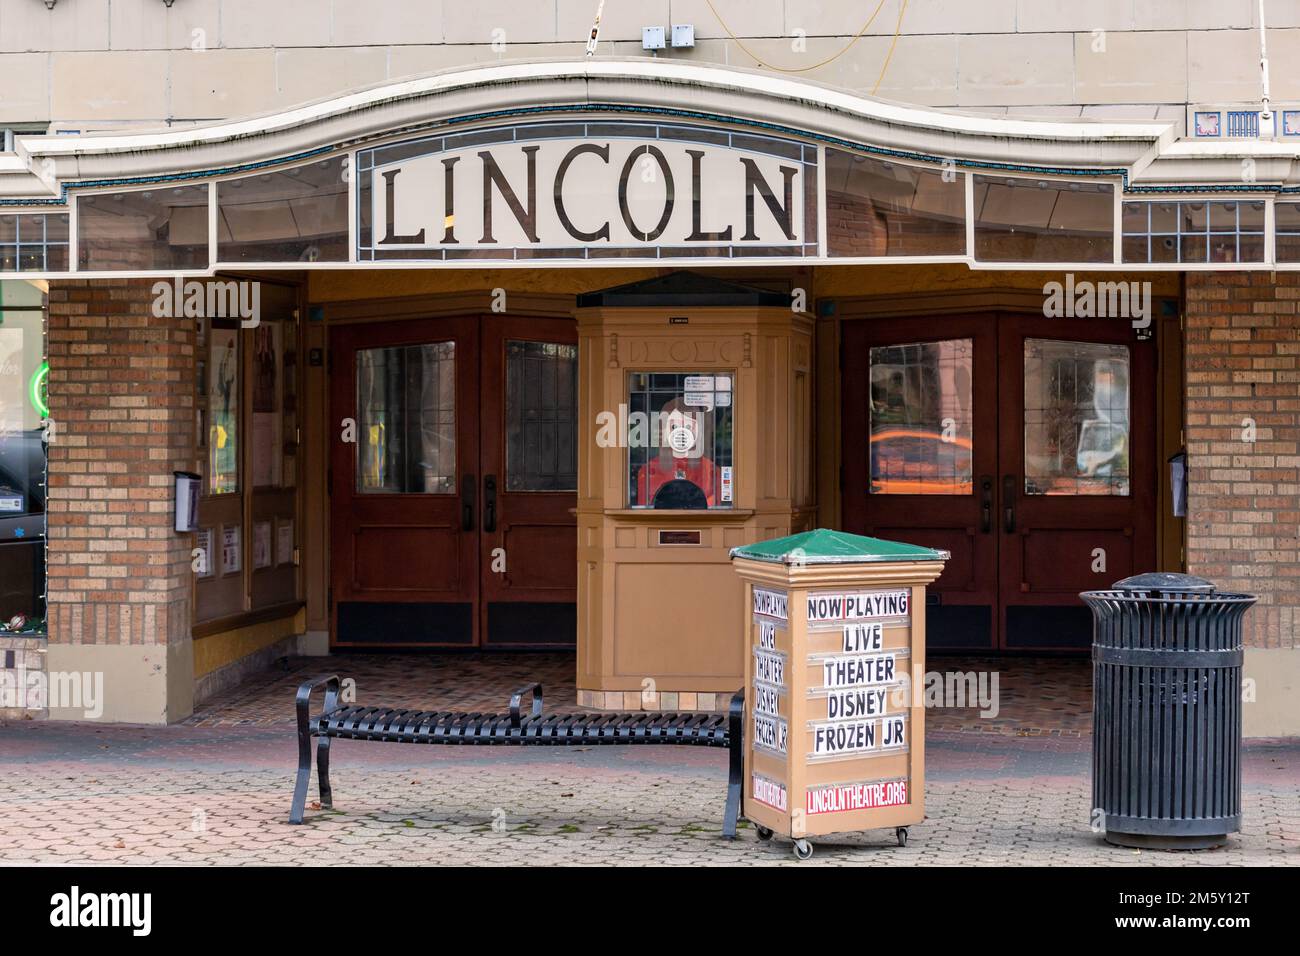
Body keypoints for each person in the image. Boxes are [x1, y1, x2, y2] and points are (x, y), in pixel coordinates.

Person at [635, 396, 718, 508]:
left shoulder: (712, 472)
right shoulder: (648, 471)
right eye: (674, 426)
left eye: (689, 426)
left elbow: (714, 511)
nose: (682, 431)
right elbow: (644, 512)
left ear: (699, 429)